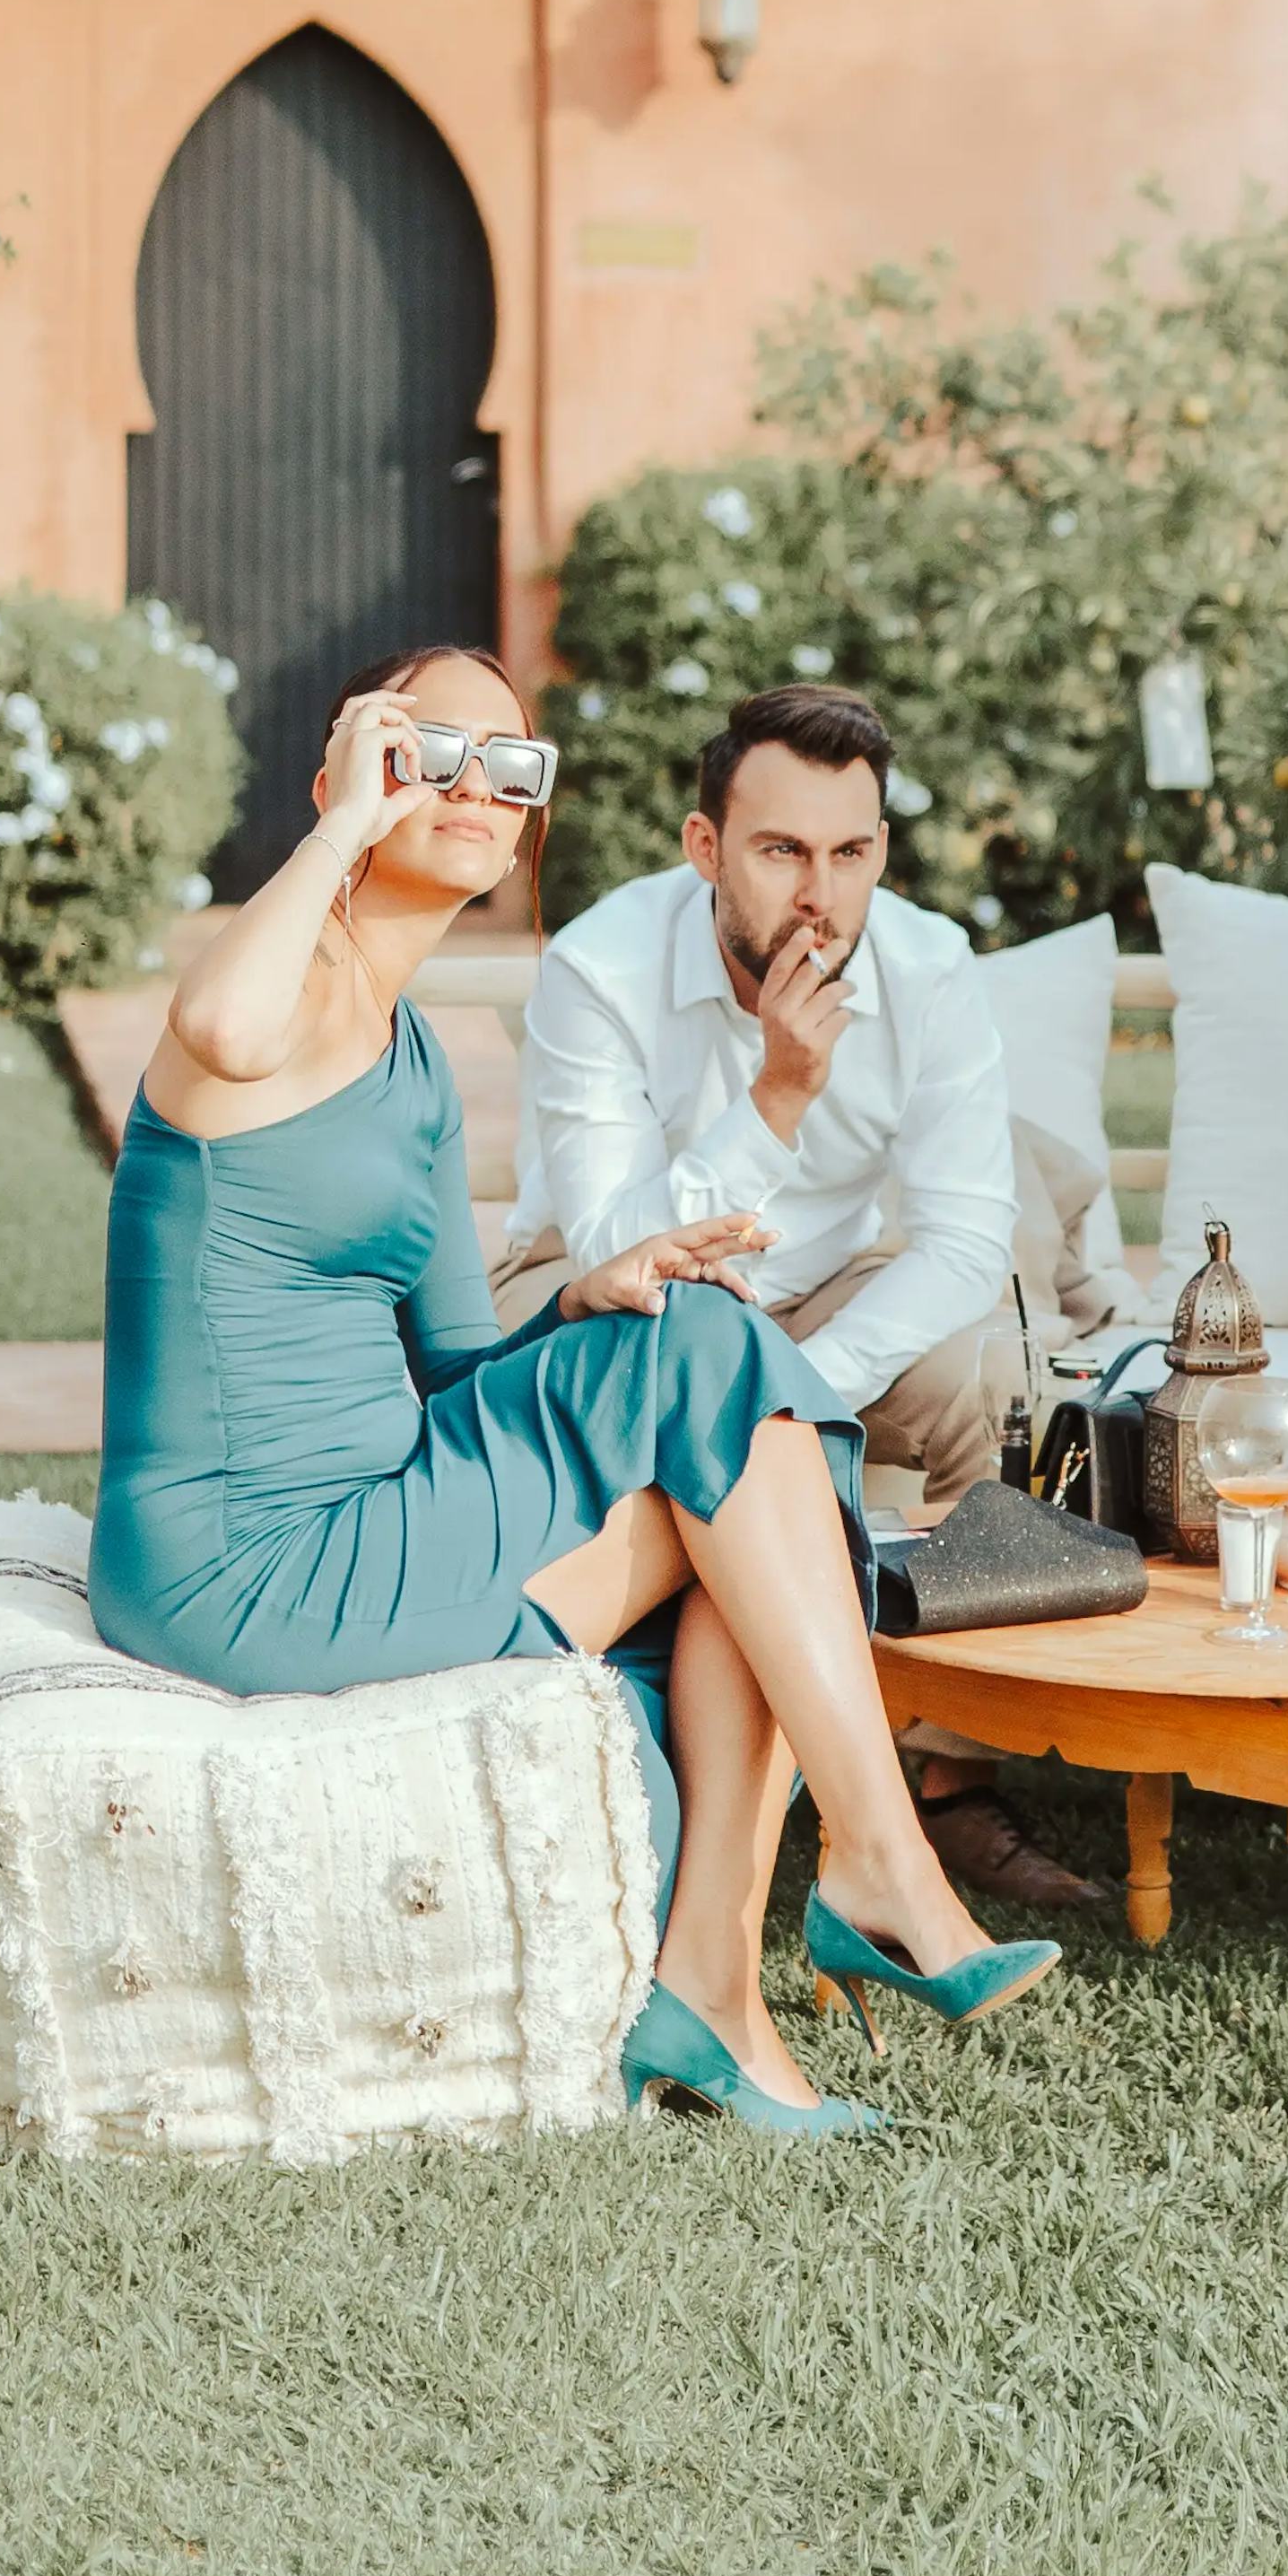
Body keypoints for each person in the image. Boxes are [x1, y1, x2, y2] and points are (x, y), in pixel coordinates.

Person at [90, 642, 1061, 2139]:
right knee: (727, 1377)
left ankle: (716, 1997)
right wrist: (343, 826)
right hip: (238, 1564)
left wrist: (593, 1312)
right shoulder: (272, 1014)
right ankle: (877, 1868)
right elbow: (214, 1026)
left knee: (730, 1442)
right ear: (354, 766)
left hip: (372, 1513)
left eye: (510, 765)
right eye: (432, 752)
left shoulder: (413, 1062)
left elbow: (451, 1375)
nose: (476, 786)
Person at [504, 677, 1088, 1909]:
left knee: (967, 1370)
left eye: (851, 852)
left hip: (816, 1302)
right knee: (682, 1350)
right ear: (705, 848)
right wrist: (775, 1097)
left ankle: (949, 1788)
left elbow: (966, 1237)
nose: (821, 894)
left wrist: (799, 1394)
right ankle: (596, 1756)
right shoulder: (600, 966)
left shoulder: (927, 969)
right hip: (603, 1290)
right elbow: (615, 1240)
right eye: (780, 851)